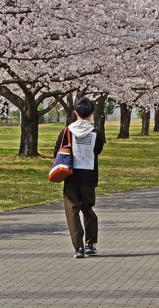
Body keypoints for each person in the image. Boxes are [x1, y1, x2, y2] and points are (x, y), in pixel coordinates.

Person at [53, 97, 106, 258]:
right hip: (89, 176)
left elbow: (57, 150)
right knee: (88, 208)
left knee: (72, 211)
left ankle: (79, 247)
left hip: (71, 175)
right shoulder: (96, 133)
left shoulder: (67, 131)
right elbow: (98, 150)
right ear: (91, 114)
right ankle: (90, 243)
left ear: (75, 112)